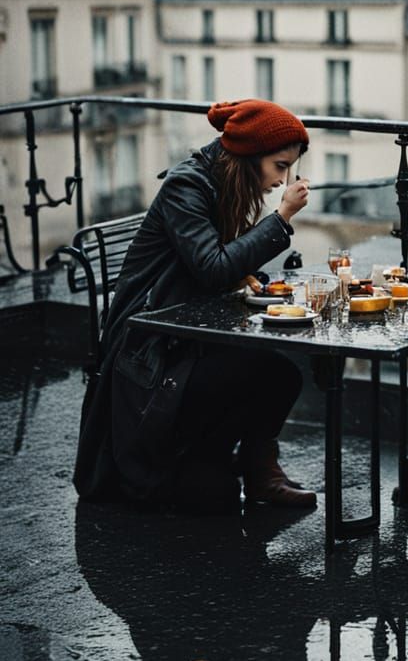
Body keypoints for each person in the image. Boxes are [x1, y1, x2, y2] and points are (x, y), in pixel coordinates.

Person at [74, 98, 317, 513]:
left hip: (187, 330)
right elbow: (209, 266)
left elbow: (202, 263)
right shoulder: (187, 186)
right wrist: (280, 220)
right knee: (269, 374)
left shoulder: (220, 184)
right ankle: (230, 464)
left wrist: (240, 274)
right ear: (249, 155)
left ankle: (257, 470)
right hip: (149, 343)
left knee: (279, 374)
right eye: (280, 166)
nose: (285, 179)